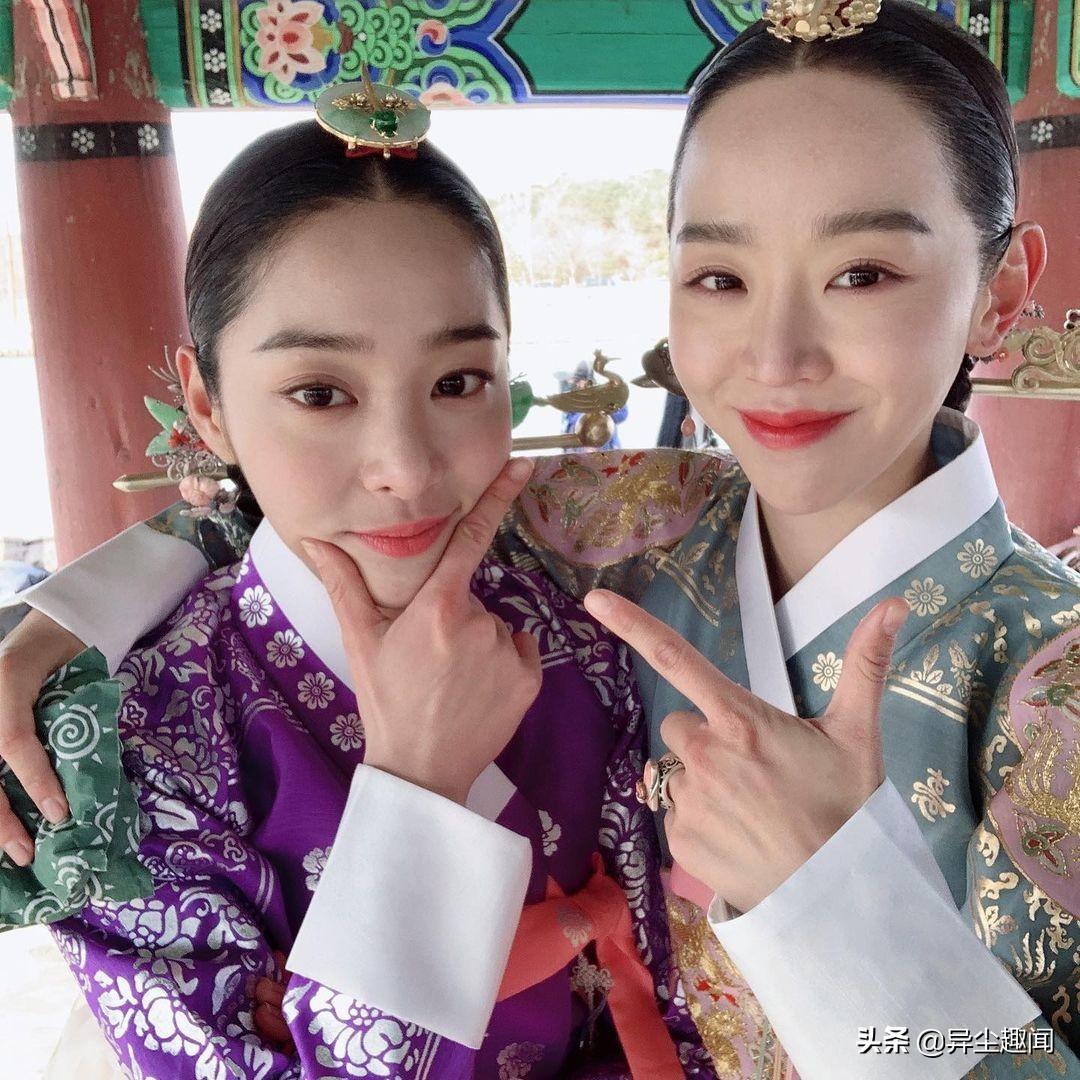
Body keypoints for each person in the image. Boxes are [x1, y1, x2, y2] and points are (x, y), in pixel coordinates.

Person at [3, 2, 1079, 1077]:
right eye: (720, 277)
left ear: (1000, 293)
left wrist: (834, 895)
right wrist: (62, 623)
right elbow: (304, 515)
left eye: (864, 273)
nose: (777, 355)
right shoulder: (631, 520)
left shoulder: (1054, 683)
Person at [0, 104, 714, 1077]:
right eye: (320, 394)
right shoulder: (130, 746)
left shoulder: (579, 641)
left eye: (458, 382)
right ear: (208, 405)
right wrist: (417, 786)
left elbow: (661, 1002)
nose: (405, 470)